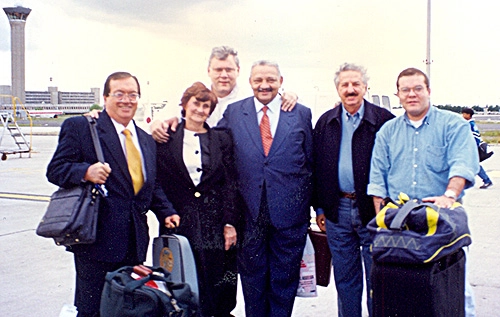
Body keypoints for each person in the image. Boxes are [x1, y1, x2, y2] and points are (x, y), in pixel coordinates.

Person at [46, 72, 180, 317]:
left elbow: (150, 183)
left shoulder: (146, 140)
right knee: (93, 309)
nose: (126, 100)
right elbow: (55, 170)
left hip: (134, 241)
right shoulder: (82, 128)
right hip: (96, 240)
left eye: (132, 95)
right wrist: (85, 171)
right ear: (106, 97)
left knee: (126, 306)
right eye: (119, 94)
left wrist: (166, 211)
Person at [368, 67, 479, 316]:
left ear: (428, 91)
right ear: (398, 95)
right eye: (405, 90)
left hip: (441, 223)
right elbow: (377, 178)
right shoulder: (388, 131)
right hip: (401, 226)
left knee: (454, 292)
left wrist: (449, 194)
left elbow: (462, 164)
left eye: (418, 88)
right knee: (402, 293)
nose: (412, 94)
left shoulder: (452, 125)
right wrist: (382, 219)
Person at [217, 60, 313, 317]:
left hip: (290, 214)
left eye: (271, 80)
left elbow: (310, 162)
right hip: (249, 212)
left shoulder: (301, 113)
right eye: (258, 80)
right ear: (250, 82)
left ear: (281, 82)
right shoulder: (235, 112)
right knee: (253, 280)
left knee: (284, 280)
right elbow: (213, 145)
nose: (264, 85)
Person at [312, 63, 394, 317]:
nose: (350, 89)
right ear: (337, 89)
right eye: (344, 85)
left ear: (365, 87)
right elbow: (316, 168)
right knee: (346, 281)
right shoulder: (326, 122)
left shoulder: (383, 121)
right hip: (338, 212)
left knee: (377, 280)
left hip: (374, 212)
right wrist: (321, 208)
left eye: (355, 84)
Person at [155, 82, 239, 317]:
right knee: (182, 278)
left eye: (206, 106)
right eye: (196, 103)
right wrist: (166, 211)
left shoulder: (222, 139)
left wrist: (230, 222)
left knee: (218, 280)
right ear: (184, 105)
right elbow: (156, 181)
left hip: (215, 221)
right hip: (179, 219)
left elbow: (231, 183)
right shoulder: (166, 138)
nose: (200, 110)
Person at [151, 46, 298, 142]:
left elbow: (272, 100)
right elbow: (162, 119)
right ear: (209, 71)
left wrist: (288, 95)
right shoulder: (195, 99)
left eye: (229, 70)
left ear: (238, 71)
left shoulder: (249, 98)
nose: (224, 75)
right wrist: (156, 124)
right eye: (218, 70)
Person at [462, 107, 493, 189]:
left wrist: (471, 147)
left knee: (473, 165)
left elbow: (475, 137)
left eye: (464, 113)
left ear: (469, 115)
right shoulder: (470, 123)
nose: (463, 115)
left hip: (471, 147)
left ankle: (487, 180)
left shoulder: (469, 124)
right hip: (470, 147)